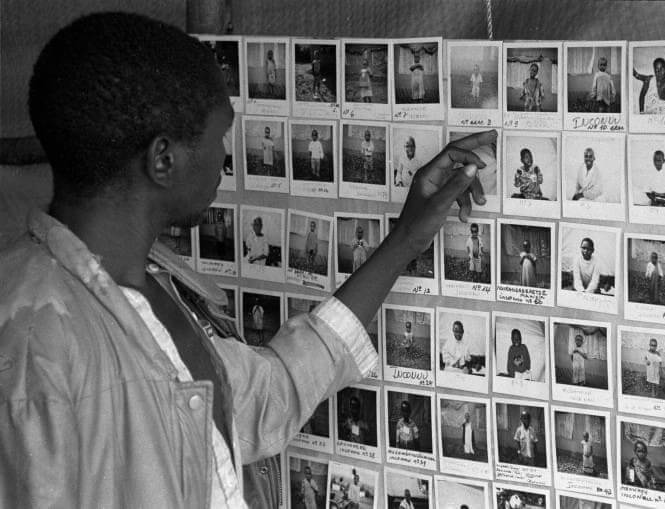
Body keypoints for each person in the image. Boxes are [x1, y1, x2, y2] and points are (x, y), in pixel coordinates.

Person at [1, 11, 494, 507]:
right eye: (219, 136)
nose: (225, 157)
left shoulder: (152, 285)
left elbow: (266, 398)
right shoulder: (31, 350)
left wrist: (406, 237)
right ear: (163, 160)